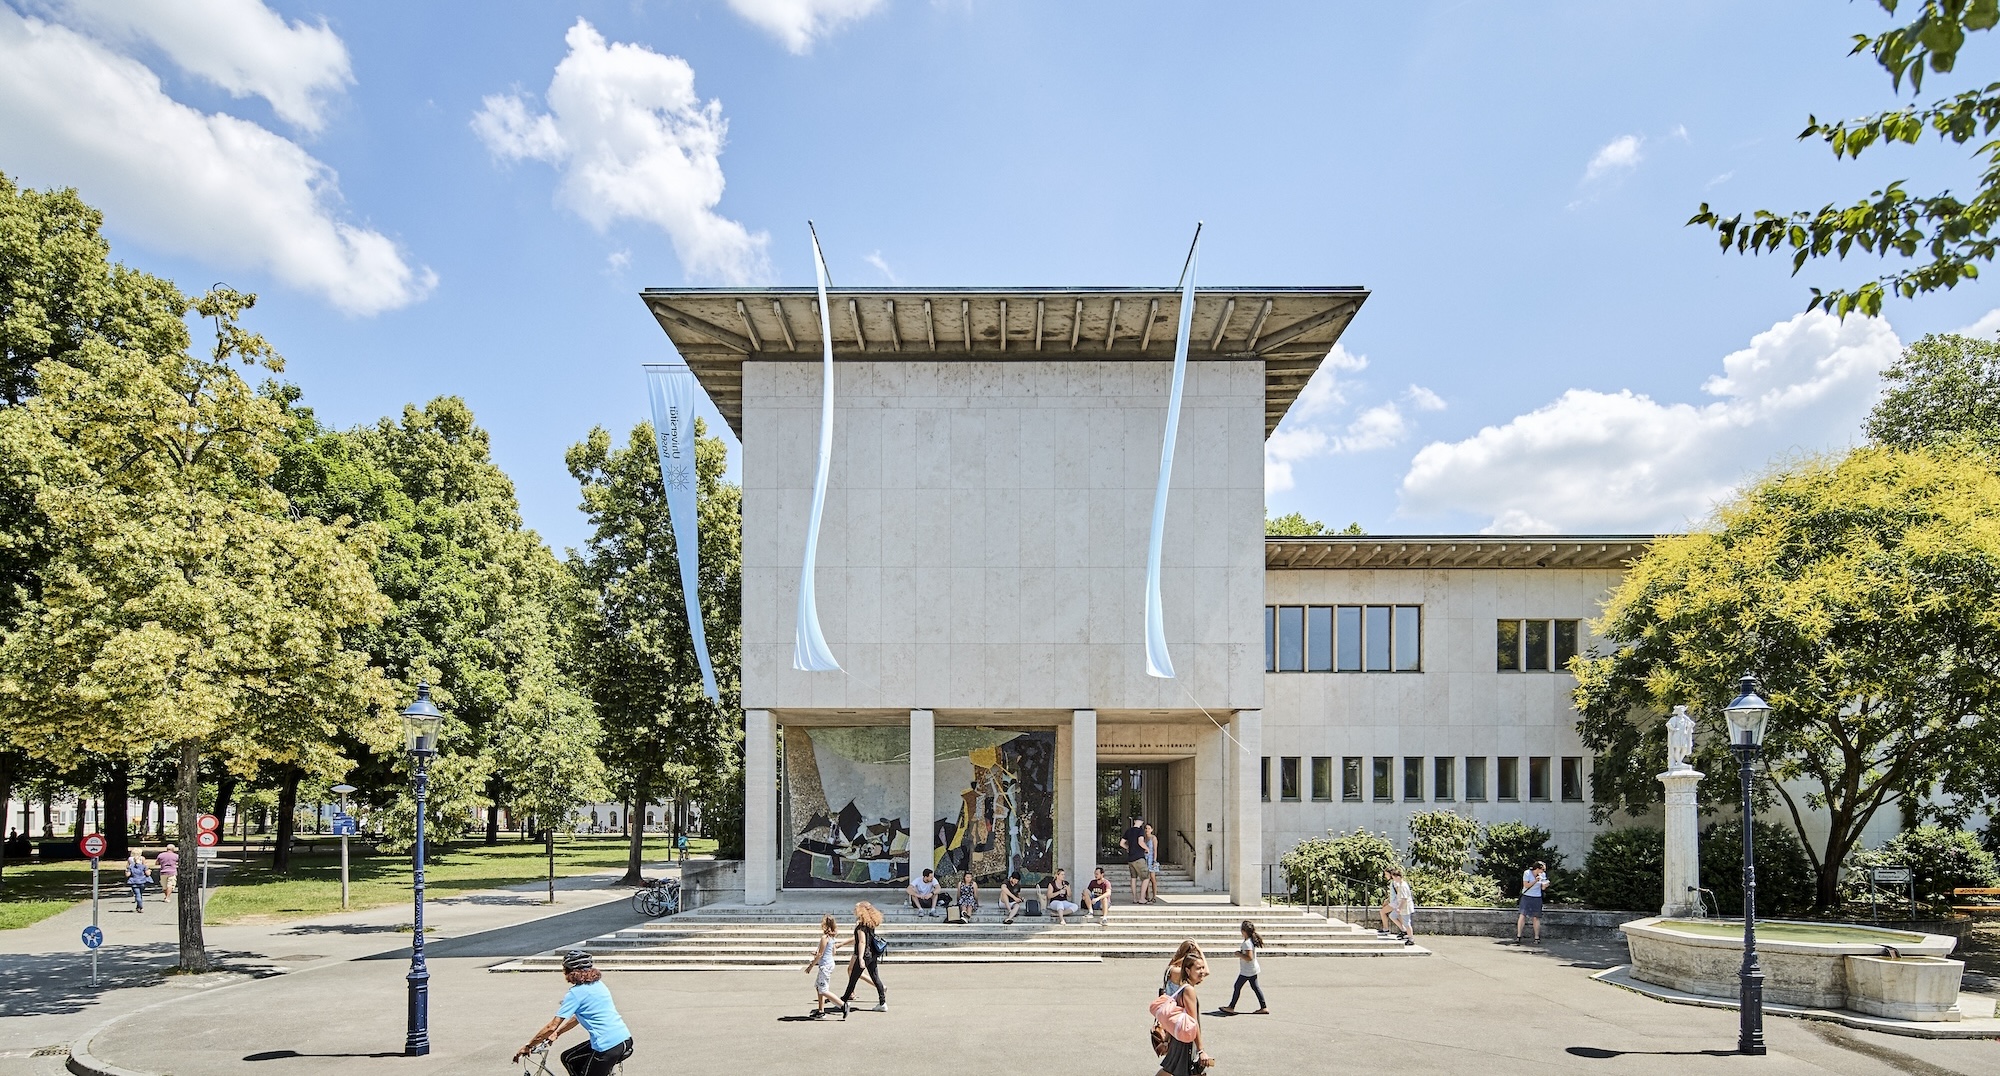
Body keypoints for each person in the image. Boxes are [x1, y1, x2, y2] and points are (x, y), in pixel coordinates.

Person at [513, 951, 634, 1076]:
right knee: (568, 1058)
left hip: (608, 1046)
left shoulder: (575, 993)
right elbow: (576, 1018)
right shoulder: (598, 985)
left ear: (570, 972)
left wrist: (528, 1046)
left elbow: (551, 1026)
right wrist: (557, 1033)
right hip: (624, 1039)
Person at [1153, 951, 1213, 1076]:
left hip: (1178, 1037)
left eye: (1202, 967)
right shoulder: (1189, 990)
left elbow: (1176, 1017)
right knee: (1181, 1070)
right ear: (1187, 970)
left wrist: (1166, 1041)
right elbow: (1193, 1022)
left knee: (1171, 1070)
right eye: (1198, 968)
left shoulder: (1182, 987)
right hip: (1186, 1040)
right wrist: (1201, 1050)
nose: (1202, 971)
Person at [837, 901, 887, 1013]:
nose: (855, 910)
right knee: (875, 977)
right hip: (873, 954)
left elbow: (862, 942)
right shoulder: (871, 924)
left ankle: (843, 1001)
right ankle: (882, 1002)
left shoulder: (860, 927)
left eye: (857, 908)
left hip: (864, 955)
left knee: (853, 979)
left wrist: (860, 958)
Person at [1218, 921, 1268, 1014]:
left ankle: (1231, 1007)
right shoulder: (1249, 941)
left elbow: (1249, 957)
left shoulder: (1247, 943)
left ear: (1244, 931)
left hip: (1247, 970)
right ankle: (1263, 1007)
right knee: (1255, 987)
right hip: (1252, 969)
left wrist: (1239, 954)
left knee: (1237, 986)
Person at [805, 914, 844, 1019]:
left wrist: (810, 966)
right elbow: (832, 952)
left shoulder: (824, 938)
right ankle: (821, 1010)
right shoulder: (832, 938)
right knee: (819, 987)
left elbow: (820, 954)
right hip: (829, 963)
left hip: (825, 966)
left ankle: (842, 1005)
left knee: (823, 989)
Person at [1379, 868, 1414, 943]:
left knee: (1406, 923)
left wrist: (1399, 907)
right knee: (1393, 916)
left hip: (1402, 905)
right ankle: (1404, 931)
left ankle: (1410, 937)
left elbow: (1403, 897)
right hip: (1399, 904)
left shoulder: (1400, 884)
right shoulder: (1399, 883)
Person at [1517, 860, 1549, 943]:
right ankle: (1519, 935)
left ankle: (1536, 937)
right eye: (1542, 870)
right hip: (1527, 896)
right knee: (1522, 915)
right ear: (1537, 869)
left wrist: (1545, 885)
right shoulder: (1527, 873)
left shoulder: (1543, 875)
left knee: (1536, 917)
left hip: (1537, 897)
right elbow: (1526, 885)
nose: (1543, 872)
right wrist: (1535, 880)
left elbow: (1542, 888)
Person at [1119, 816, 1149, 902]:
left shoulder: (1128, 831)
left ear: (1135, 821)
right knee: (1146, 878)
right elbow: (1140, 842)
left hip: (1130, 858)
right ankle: (1142, 898)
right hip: (1139, 857)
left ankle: (1135, 898)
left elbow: (1121, 843)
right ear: (1142, 822)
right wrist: (1147, 848)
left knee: (1133, 878)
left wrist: (1128, 848)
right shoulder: (1140, 831)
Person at [1140, 823, 1161, 904]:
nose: (1147, 830)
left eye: (1149, 828)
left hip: (1151, 859)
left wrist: (1154, 860)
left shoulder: (1153, 838)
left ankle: (1154, 896)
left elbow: (1155, 849)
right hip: (1144, 859)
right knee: (1146, 878)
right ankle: (1147, 895)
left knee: (1153, 878)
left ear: (1151, 829)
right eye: (1146, 828)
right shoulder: (1143, 838)